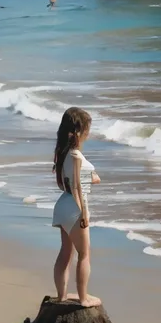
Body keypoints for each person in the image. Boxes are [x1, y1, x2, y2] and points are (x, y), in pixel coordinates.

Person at [52, 107, 101, 308]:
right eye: (87, 129)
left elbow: (66, 182)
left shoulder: (63, 153)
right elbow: (76, 186)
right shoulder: (75, 155)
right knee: (84, 254)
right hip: (74, 206)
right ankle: (83, 298)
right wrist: (82, 213)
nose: (88, 133)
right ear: (79, 131)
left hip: (63, 204)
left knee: (66, 251)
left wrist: (92, 178)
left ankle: (62, 296)